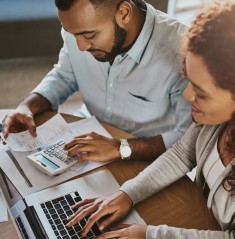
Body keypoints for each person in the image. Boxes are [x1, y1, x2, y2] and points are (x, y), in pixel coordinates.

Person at [64, 1, 235, 239]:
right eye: (189, 80)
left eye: (201, 93)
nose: (188, 95)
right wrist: (127, 194)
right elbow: (181, 155)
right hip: (199, 228)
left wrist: (150, 238)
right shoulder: (218, 119)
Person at [1, 0, 192, 162]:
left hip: (144, 159)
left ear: (124, 13)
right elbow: (65, 75)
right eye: (72, 33)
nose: (81, 46)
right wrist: (28, 106)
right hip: (83, 135)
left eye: (89, 35)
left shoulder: (181, 52)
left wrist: (121, 148)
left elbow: (189, 138)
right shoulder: (80, 27)